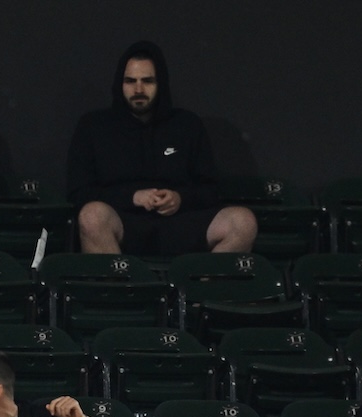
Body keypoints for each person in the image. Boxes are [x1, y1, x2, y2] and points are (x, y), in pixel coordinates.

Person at [66, 41, 257, 257]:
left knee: (243, 221)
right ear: (120, 84)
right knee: (92, 216)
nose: (138, 89)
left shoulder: (187, 124)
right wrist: (133, 197)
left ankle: (198, 289)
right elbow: (78, 193)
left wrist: (180, 198)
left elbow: (211, 191)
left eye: (147, 81)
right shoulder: (94, 126)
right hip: (123, 220)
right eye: (130, 81)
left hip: (180, 223)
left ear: (161, 83)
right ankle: (121, 289)